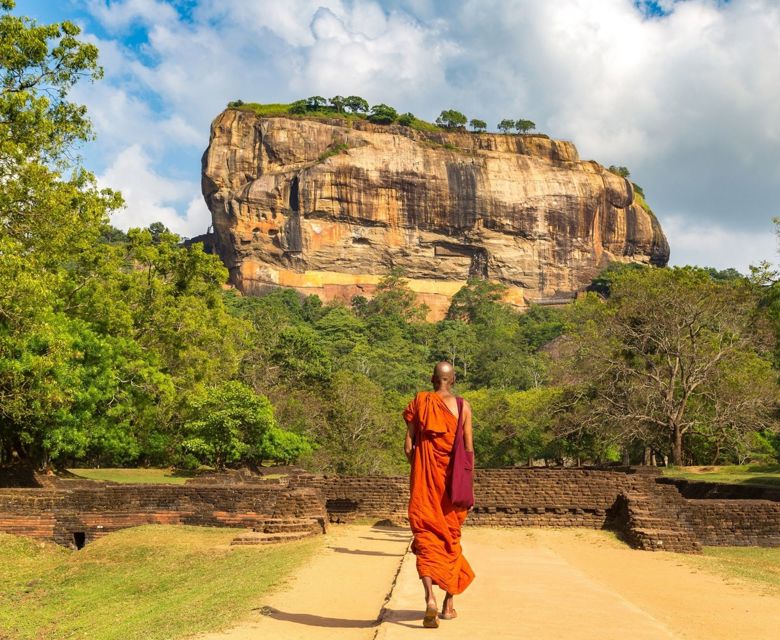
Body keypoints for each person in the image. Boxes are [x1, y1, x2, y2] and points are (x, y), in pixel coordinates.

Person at [403, 361, 475, 629]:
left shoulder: (421, 402)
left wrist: (422, 465)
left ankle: (429, 598)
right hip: (451, 489)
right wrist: (465, 484)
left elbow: (409, 447)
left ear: (432, 379)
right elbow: (468, 451)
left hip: (425, 488)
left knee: (426, 540)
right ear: (452, 379)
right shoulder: (463, 406)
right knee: (450, 542)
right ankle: (448, 604)